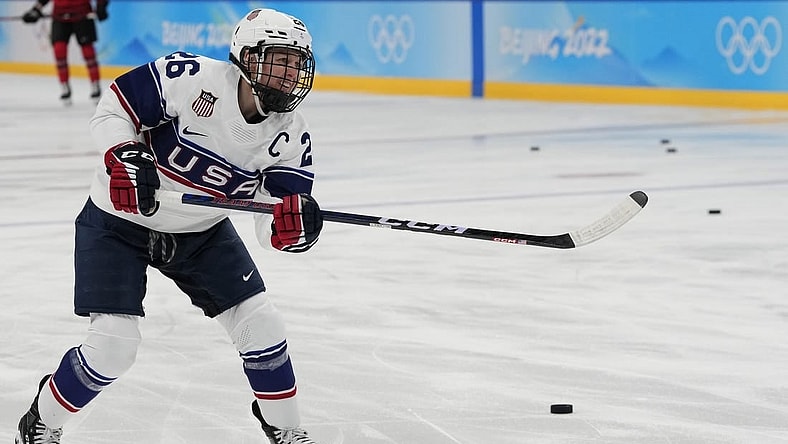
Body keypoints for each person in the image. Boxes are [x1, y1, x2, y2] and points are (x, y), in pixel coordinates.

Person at [15, 8, 323, 444]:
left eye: (296, 64)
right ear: (245, 58)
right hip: (118, 221)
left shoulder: (291, 135)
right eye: (278, 60)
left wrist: (291, 229)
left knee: (263, 326)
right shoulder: (190, 77)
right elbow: (113, 107)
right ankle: (42, 420)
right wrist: (122, 153)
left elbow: (271, 220)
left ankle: (287, 428)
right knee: (113, 347)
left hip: (201, 232)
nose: (289, 74)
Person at [21, 0, 109, 105]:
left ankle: (95, 84)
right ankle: (64, 86)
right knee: (59, 49)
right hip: (60, 16)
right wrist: (36, 10)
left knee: (88, 51)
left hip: (82, 14)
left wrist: (101, 6)